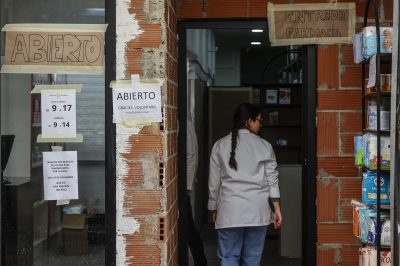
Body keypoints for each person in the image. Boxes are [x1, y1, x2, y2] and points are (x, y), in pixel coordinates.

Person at [208, 103, 282, 266]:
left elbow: (214, 183)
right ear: (249, 121)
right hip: (258, 211)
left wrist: (213, 207)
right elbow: (272, 180)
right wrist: (277, 208)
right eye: (259, 121)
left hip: (229, 210)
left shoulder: (219, 145)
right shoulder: (265, 146)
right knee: (252, 260)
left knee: (228, 258)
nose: (260, 125)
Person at [186, 119, 207, 265]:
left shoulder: (185, 123)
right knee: (187, 228)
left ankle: (200, 261)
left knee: (188, 228)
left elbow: (192, 156)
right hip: (178, 187)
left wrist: (187, 186)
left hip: (181, 188)